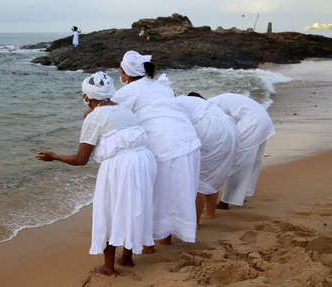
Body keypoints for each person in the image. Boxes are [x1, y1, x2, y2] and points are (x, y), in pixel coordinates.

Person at [36, 71, 156, 278]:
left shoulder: (95, 117)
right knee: (131, 208)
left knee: (108, 213)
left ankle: (108, 268)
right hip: (144, 161)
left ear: (87, 96)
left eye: (84, 95)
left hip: (120, 167)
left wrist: (54, 157)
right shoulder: (124, 109)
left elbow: (80, 160)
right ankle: (127, 258)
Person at [112, 51, 201, 250]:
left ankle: (150, 244)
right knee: (176, 193)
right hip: (188, 140)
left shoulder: (129, 91)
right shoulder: (159, 86)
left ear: (125, 74)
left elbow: (108, 112)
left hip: (166, 146)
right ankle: (165, 238)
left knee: (155, 196)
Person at [174, 92, 238, 224]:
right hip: (231, 129)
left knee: (197, 181)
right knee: (212, 173)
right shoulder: (204, 105)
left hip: (212, 131)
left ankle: (194, 223)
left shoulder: (172, 104)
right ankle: (209, 212)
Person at [208, 93, 276, 209]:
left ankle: (226, 201)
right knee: (252, 161)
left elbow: (219, 129)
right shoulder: (215, 100)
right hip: (264, 120)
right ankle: (242, 194)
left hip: (252, 123)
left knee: (237, 162)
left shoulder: (209, 107)